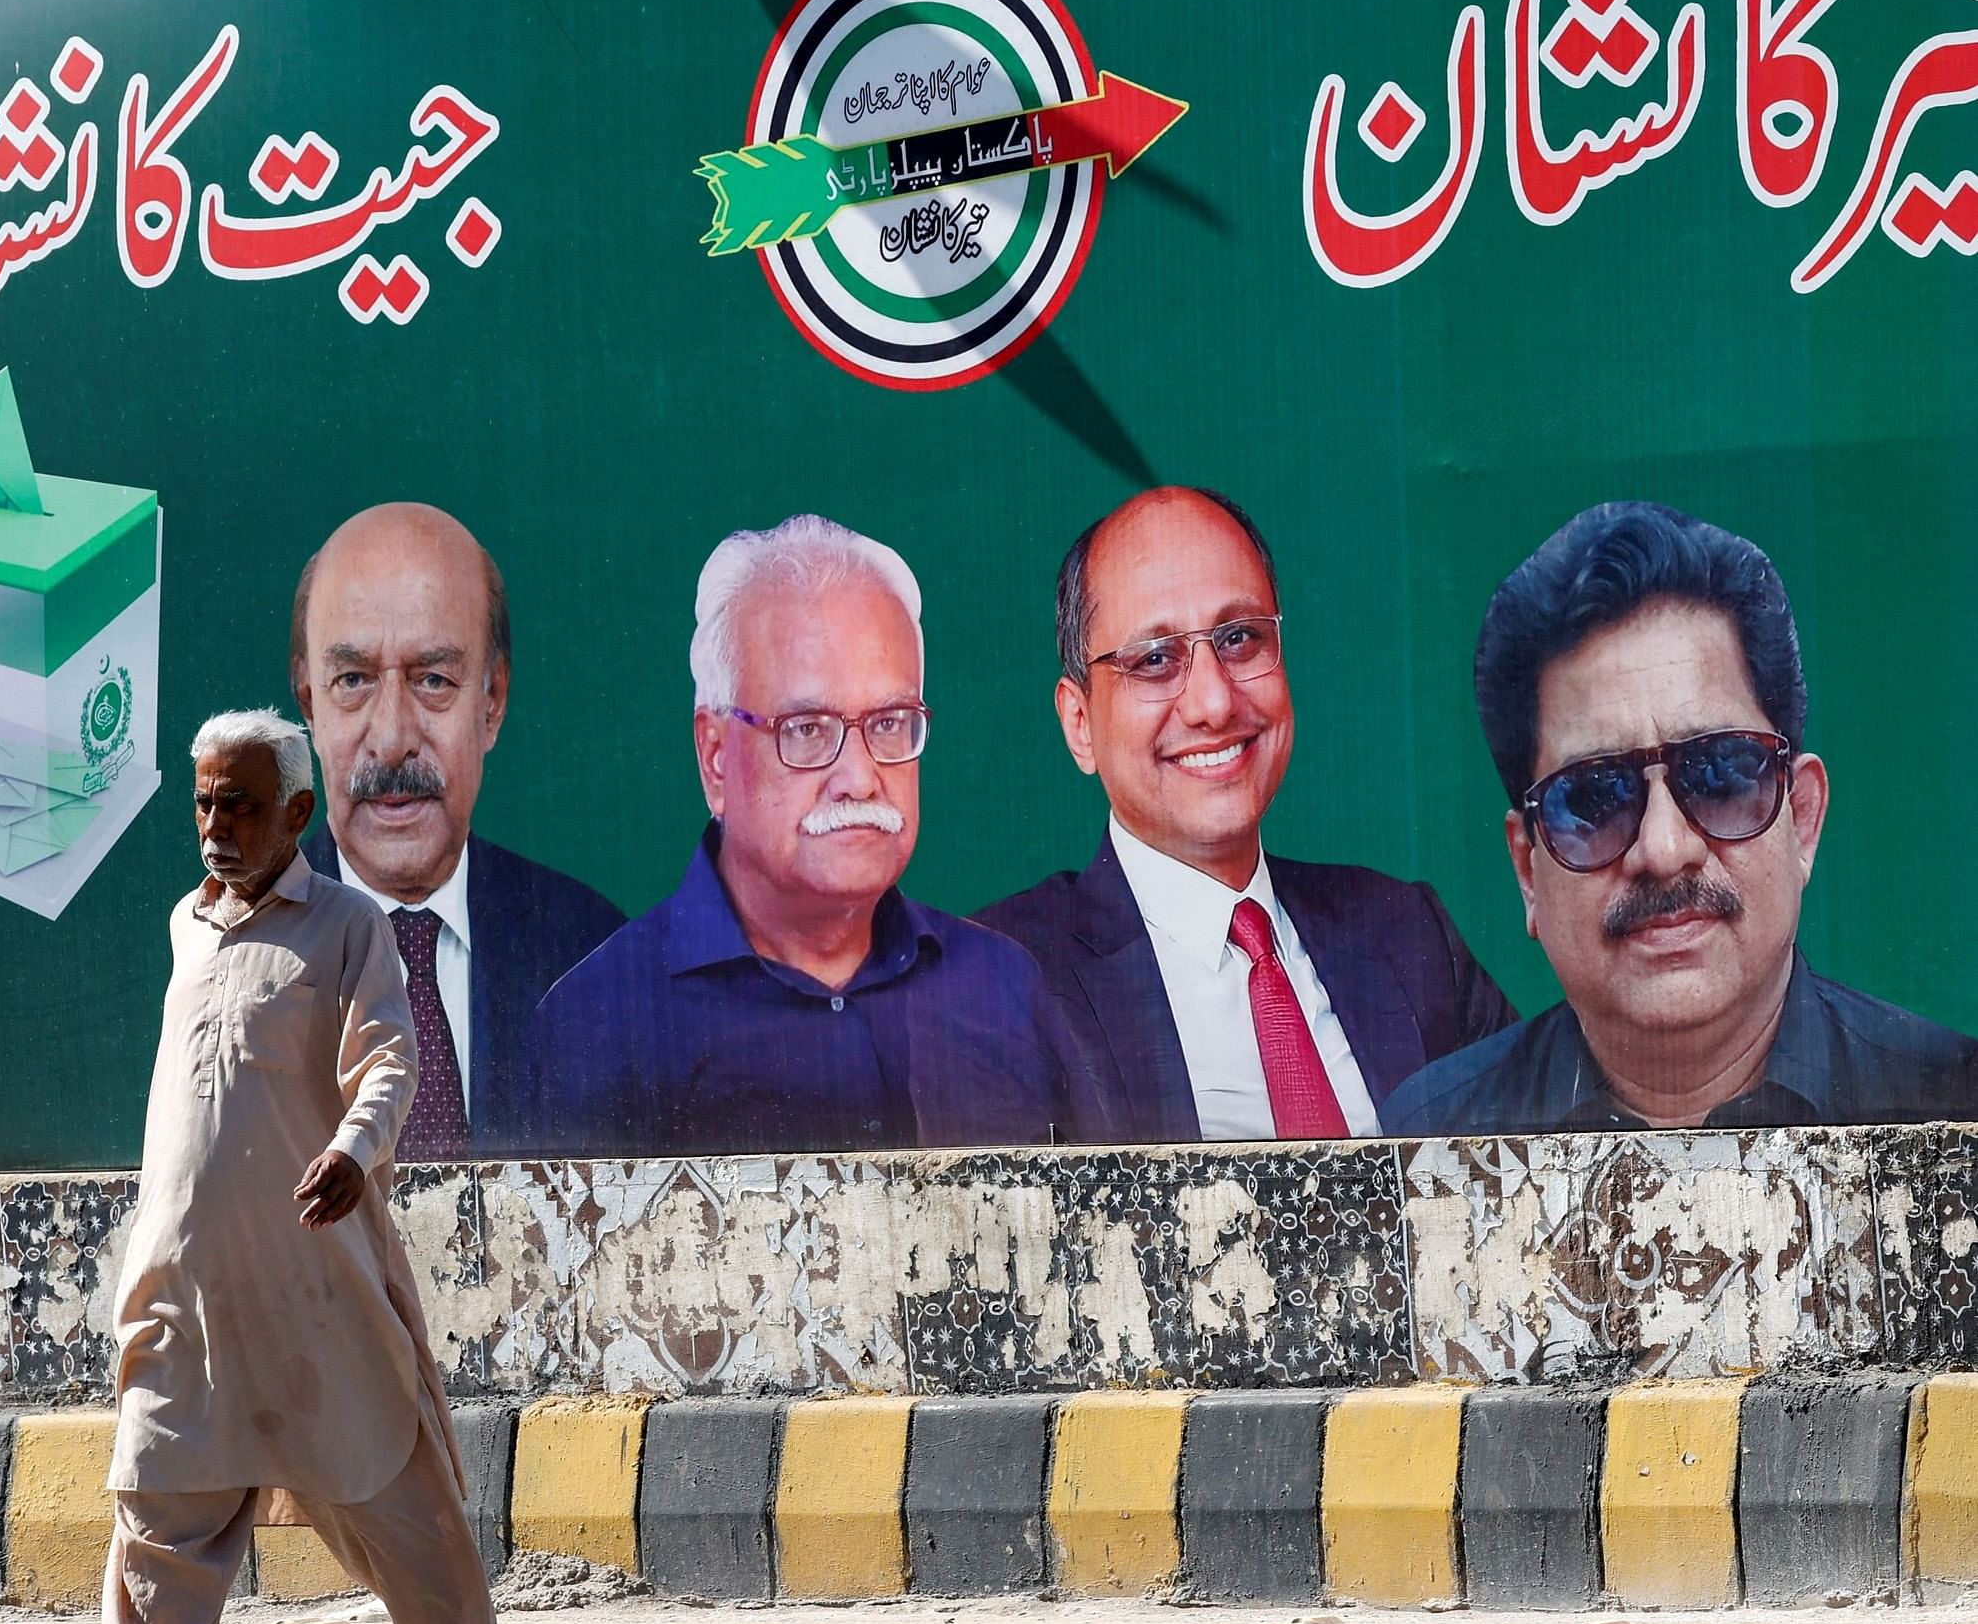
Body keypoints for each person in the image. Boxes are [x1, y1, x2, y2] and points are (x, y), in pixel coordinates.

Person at [42, 711, 509, 1624]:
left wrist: (353, 1149)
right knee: (157, 1496)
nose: (215, 822)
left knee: (387, 1495)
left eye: (239, 802)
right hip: (184, 1282)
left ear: (296, 813)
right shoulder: (184, 925)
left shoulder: (347, 926)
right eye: (203, 800)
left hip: (309, 1282)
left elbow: (387, 1058)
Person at [1385, 502, 1978, 1135]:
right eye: (1593, 798)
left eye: (1720, 773)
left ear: (1801, 817)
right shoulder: (1430, 1142)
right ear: (1529, 870)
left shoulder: (1953, 1109)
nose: (1664, 848)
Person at [525, 513, 1094, 1155]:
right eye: (806, 729)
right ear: (714, 756)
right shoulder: (599, 1025)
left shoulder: (1004, 989)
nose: (858, 777)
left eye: (889, 723)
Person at [977, 487, 1514, 1143]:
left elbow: (1539, 1187)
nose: (1213, 701)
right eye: (1154, 658)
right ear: (1080, 722)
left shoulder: (1406, 935)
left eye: (1239, 638)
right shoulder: (999, 983)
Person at [289, 503, 624, 1159]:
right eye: (352, 680)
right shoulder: (231, 964)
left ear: (492, 703)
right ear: (310, 705)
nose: (390, 741)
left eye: (433, 680)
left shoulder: (594, 956)